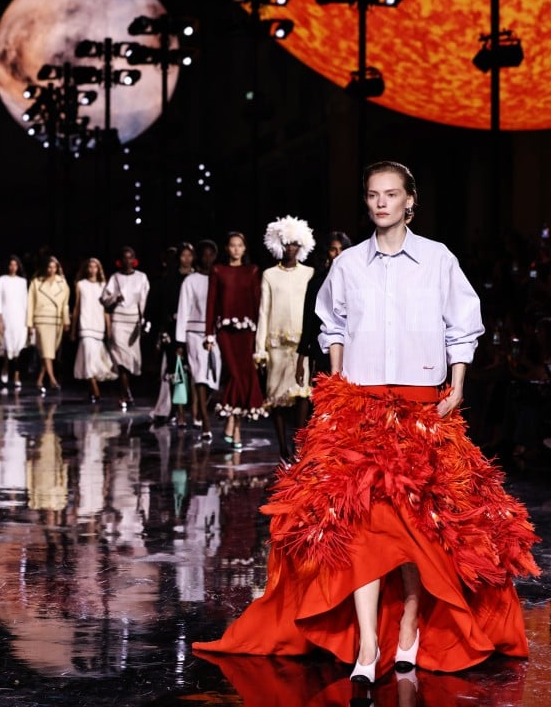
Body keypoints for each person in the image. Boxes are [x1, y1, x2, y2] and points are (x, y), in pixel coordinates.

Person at [192, 161, 540, 683]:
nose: (381, 203)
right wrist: (335, 381)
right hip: (360, 408)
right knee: (360, 532)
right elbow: (331, 322)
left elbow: (462, 325)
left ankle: (408, 633)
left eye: (391, 194)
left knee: (417, 534)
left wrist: (460, 386)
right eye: (373, 195)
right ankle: (368, 646)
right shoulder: (349, 264)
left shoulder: (437, 260)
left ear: (410, 202)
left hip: (423, 407)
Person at [255, 216, 316, 461]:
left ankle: (298, 446)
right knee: (277, 398)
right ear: (278, 244)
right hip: (277, 344)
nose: (290, 247)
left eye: (294, 243)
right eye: (286, 243)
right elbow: (263, 311)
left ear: (301, 245)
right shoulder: (270, 274)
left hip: (302, 345)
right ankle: (282, 448)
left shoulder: (310, 273)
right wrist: (259, 348)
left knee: (302, 393)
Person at [204, 232, 266, 449]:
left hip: (248, 331)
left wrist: (261, 335)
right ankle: (233, 424)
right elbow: (211, 303)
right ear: (227, 248)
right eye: (232, 245)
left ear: (245, 248)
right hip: (225, 332)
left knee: (244, 374)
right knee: (235, 374)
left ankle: (234, 425)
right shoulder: (218, 270)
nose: (236, 249)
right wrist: (208, 333)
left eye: (240, 245)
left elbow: (258, 302)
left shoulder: (252, 271)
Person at [175, 239, 222, 440]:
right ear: (199, 257)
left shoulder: (220, 278)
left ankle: (202, 411)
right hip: (194, 333)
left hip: (216, 334)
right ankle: (204, 422)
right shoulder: (190, 281)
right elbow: (183, 309)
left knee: (213, 378)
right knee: (200, 378)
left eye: (211, 254)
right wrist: (180, 342)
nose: (208, 258)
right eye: (204, 254)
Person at [297, 230, 353, 384]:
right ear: (327, 252)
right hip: (320, 349)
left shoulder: (356, 282)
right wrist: (301, 357)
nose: (338, 253)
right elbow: (308, 321)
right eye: (333, 249)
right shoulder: (316, 283)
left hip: (349, 350)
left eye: (342, 249)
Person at [100, 246, 150, 409]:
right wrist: (115, 297)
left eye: (130, 257)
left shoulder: (142, 277)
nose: (127, 261)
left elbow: (144, 300)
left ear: (134, 259)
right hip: (119, 320)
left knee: (131, 359)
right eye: (124, 258)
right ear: (120, 261)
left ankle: (125, 390)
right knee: (120, 358)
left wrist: (142, 320)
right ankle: (125, 392)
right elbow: (104, 299)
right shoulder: (115, 277)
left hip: (133, 320)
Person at [151, 243, 196, 427]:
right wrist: (164, 329)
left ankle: (194, 412)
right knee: (177, 371)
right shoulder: (170, 279)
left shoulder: (197, 277)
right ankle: (180, 413)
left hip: (194, 329)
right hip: (174, 329)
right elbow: (163, 306)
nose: (186, 259)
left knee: (194, 372)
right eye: (183, 255)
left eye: (189, 255)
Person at [71, 257, 117, 403]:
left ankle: (92, 389)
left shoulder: (104, 286)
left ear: (98, 269)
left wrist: (109, 327)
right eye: (90, 267)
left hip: (98, 326)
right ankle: (95, 390)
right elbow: (77, 307)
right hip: (85, 325)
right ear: (86, 269)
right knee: (88, 354)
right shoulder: (80, 285)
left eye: (95, 267)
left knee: (93, 358)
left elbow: (106, 309)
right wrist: (73, 329)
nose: (92, 270)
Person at [27, 255, 71, 393]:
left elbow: (65, 304)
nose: (51, 270)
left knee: (50, 352)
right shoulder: (36, 282)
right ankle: (52, 380)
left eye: (54, 267)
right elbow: (30, 304)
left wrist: (66, 321)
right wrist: (29, 324)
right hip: (41, 319)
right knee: (47, 351)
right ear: (44, 267)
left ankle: (40, 378)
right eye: (49, 267)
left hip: (56, 320)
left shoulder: (62, 283)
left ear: (57, 268)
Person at [0, 255, 28, 389]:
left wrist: (28, 320)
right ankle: (5, 367)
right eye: (11, 264)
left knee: (18, 348)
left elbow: (25, 301)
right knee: (8, 345)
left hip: (20, 317)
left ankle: (16, 376)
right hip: (7, 316)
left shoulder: (22, 281)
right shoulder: (2, 280)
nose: (13, 267)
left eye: (15, 265)